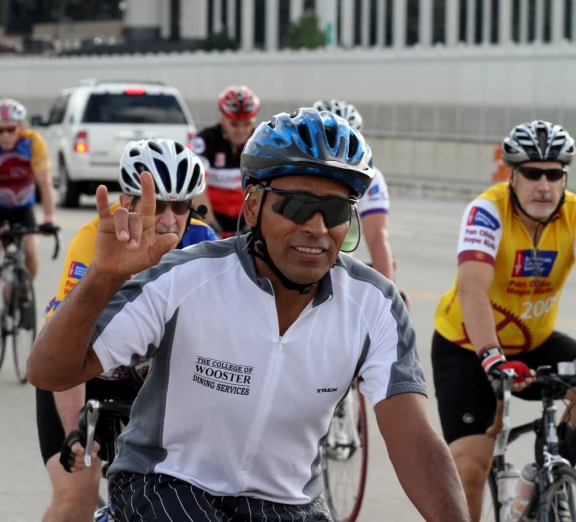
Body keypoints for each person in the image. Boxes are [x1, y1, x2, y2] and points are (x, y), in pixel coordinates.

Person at [29, 108, 469, 522]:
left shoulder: (375, 306)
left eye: (335, 211)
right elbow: (50, 371)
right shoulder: (187, 277)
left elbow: (413, 439)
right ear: (254, 206)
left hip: (289, 504)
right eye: (296, 206)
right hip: (167, 483)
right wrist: (102, 279)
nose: (316, 227)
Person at [35, 138, 217, 522]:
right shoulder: (94, 241)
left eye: (180, 206)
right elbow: (70, 344)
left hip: (153, 382)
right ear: (126, 201)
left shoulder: (204, 242)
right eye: (157, 203)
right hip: (85, 376)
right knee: (76, 499)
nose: (168, 219)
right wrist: (74, 431)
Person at [432, 120, 576, 521]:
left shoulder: (574, 215)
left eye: (554, 174)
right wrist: (492, 359)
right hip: (468, 348)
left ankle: (554, 472)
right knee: (470, 468)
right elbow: (472, 288)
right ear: (512, 175)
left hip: (535, 345)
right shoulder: (487, 211)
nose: (544, 186)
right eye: (532, 173)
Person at [313, 99, 410, 309]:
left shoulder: (370, 177)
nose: (335, 153)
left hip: (337, 265)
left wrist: (388, 294)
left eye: (343, 142)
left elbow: (377, 237)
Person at [0, 98, 57, 342]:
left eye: (10, 129)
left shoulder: (33, 142)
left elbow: (45, 182)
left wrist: (49, 218)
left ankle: (22, 292)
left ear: (20, 126)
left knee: (31, 250)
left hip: (22, 208)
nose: (5, 135)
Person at [190, 85, 260, 238]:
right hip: (212, 213)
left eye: (247, 123)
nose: (241, 130)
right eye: (234, 124)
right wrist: (210, 224)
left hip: (246, 216)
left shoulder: (260, 141)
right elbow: (198, 188)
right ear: (223, 120)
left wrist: (255, 222)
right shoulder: (206, 140)